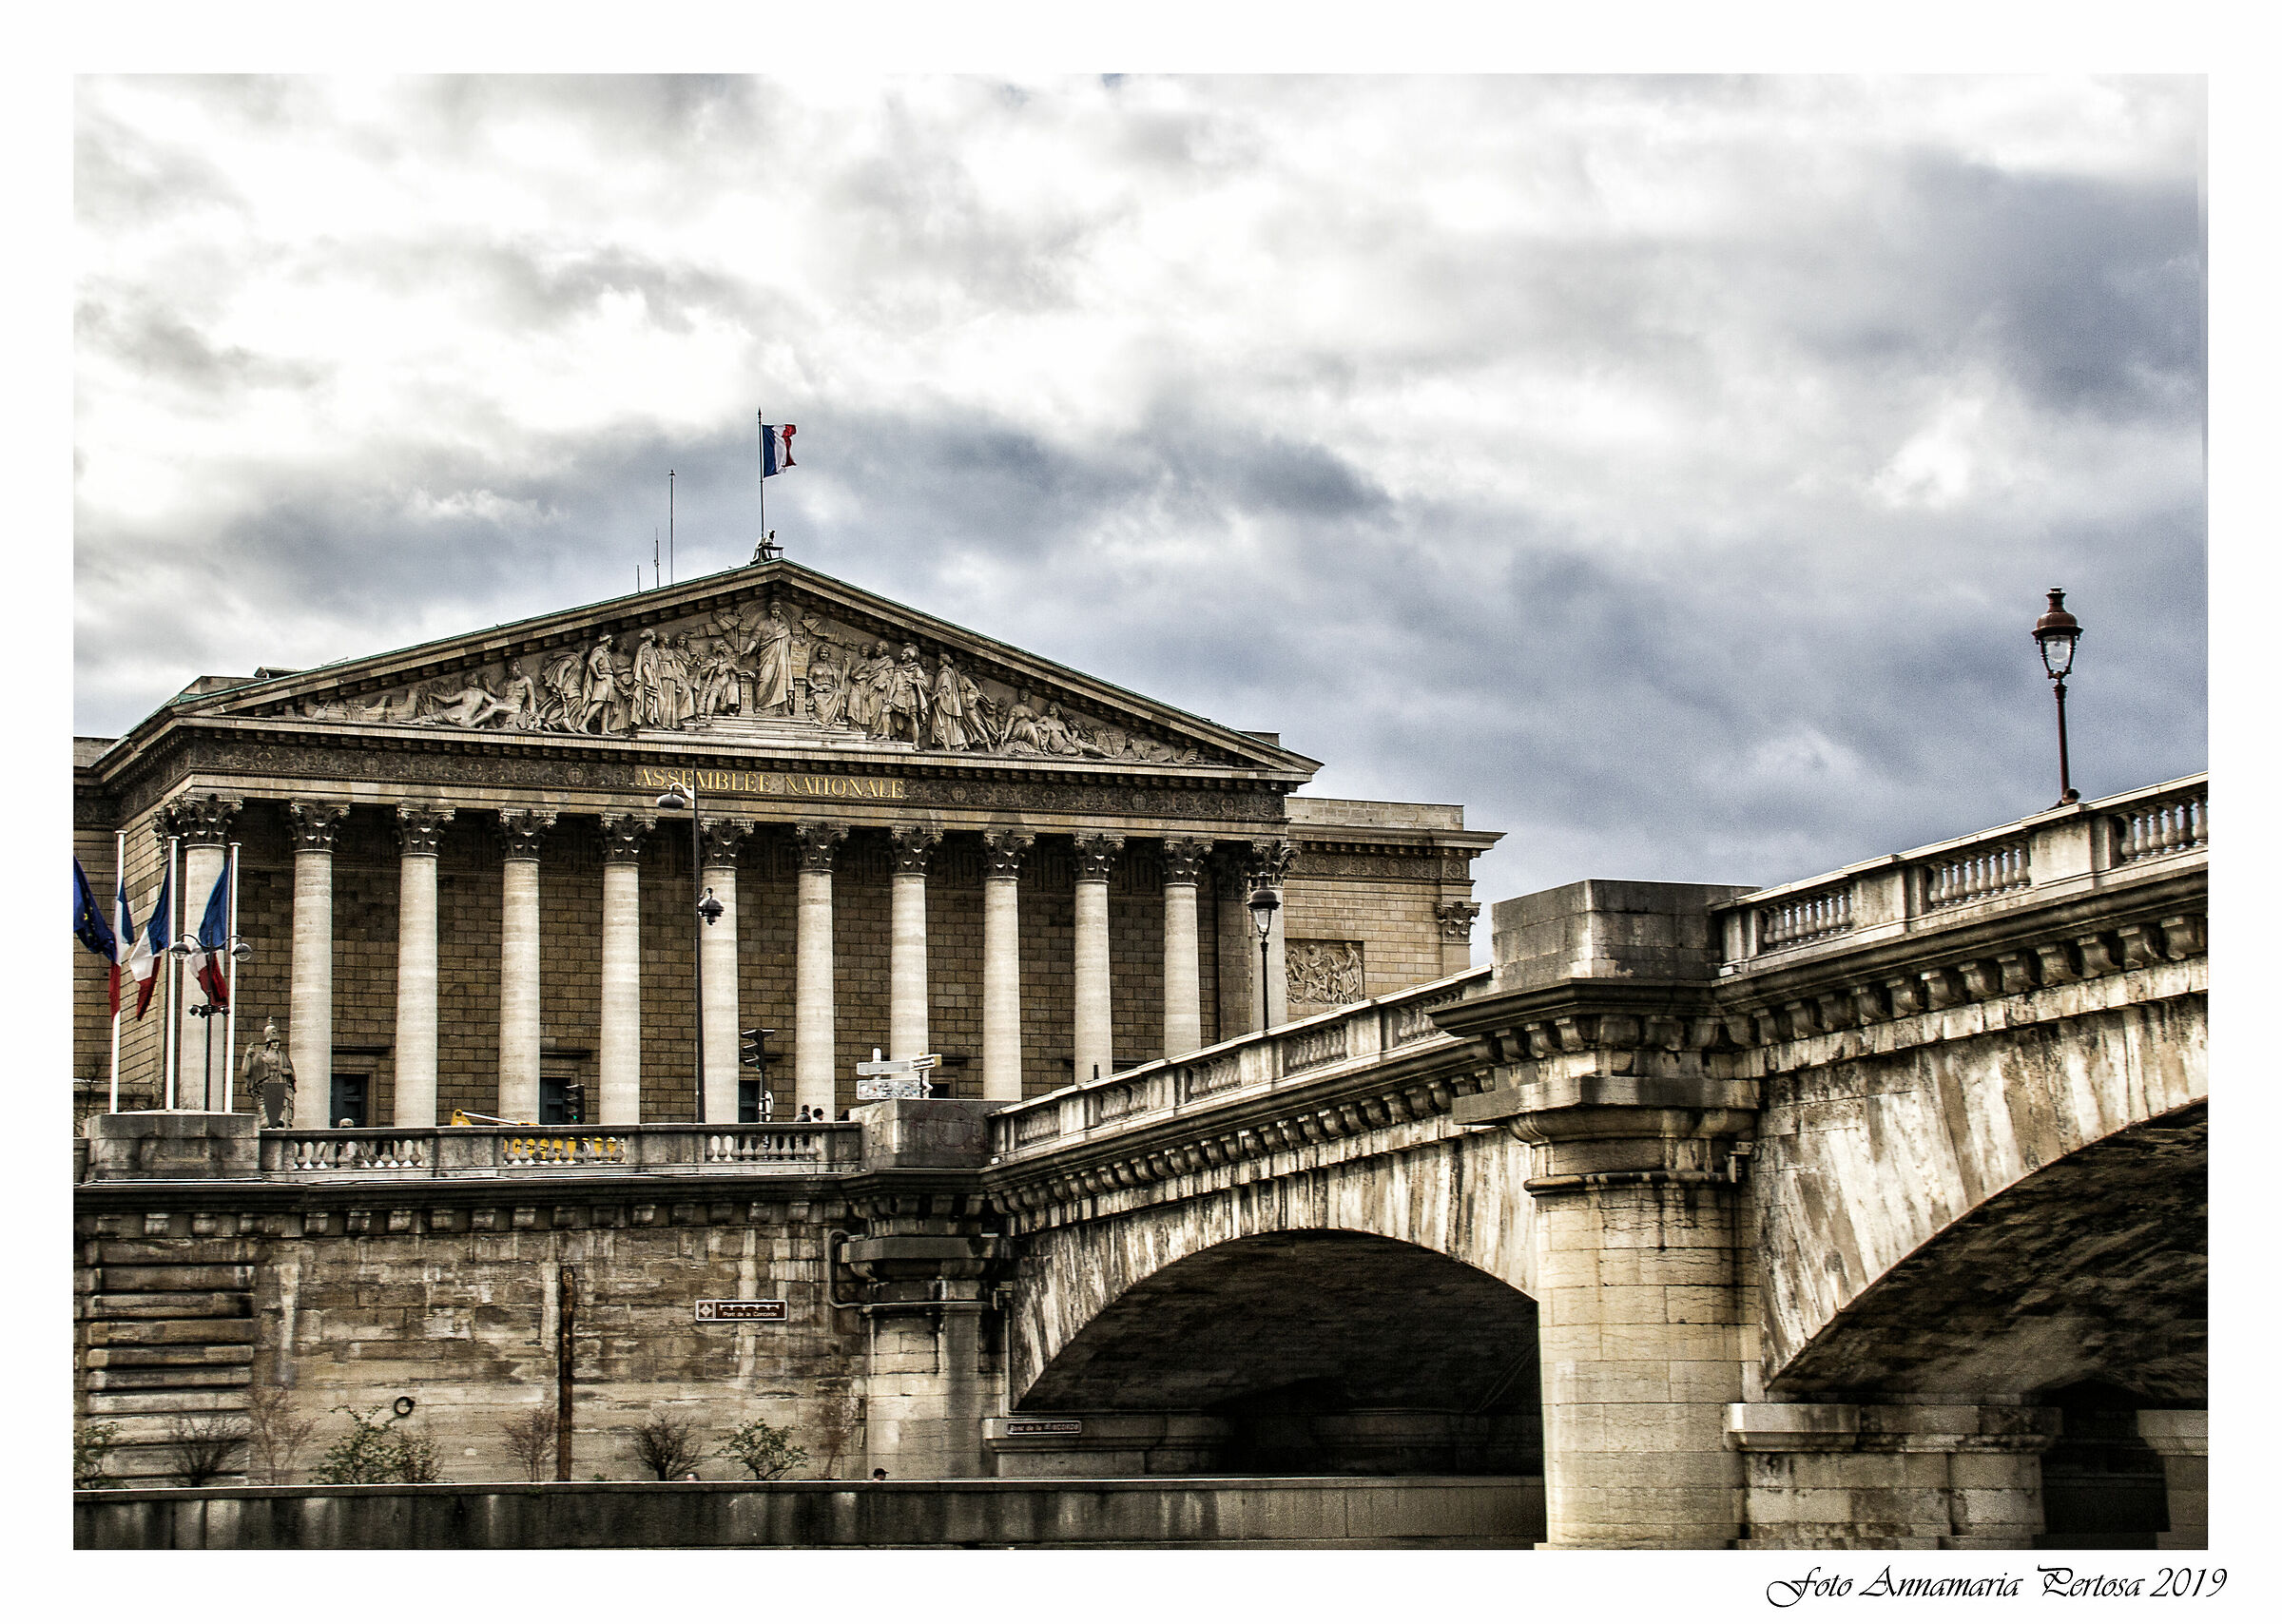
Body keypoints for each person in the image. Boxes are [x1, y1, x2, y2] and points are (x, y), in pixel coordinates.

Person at [242, 1019, 296, 1129]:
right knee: (266, 1121)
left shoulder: (282, 1056)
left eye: (277, 1042)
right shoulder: (261, 1057)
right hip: (265, 1089)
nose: (276, 1044)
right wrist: (248, 1056)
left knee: (279, 1119)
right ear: (268, 1043)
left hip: (280, 1087)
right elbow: (247, 1072)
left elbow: (292, 1076)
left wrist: (289, 1073)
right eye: (273, 1042)